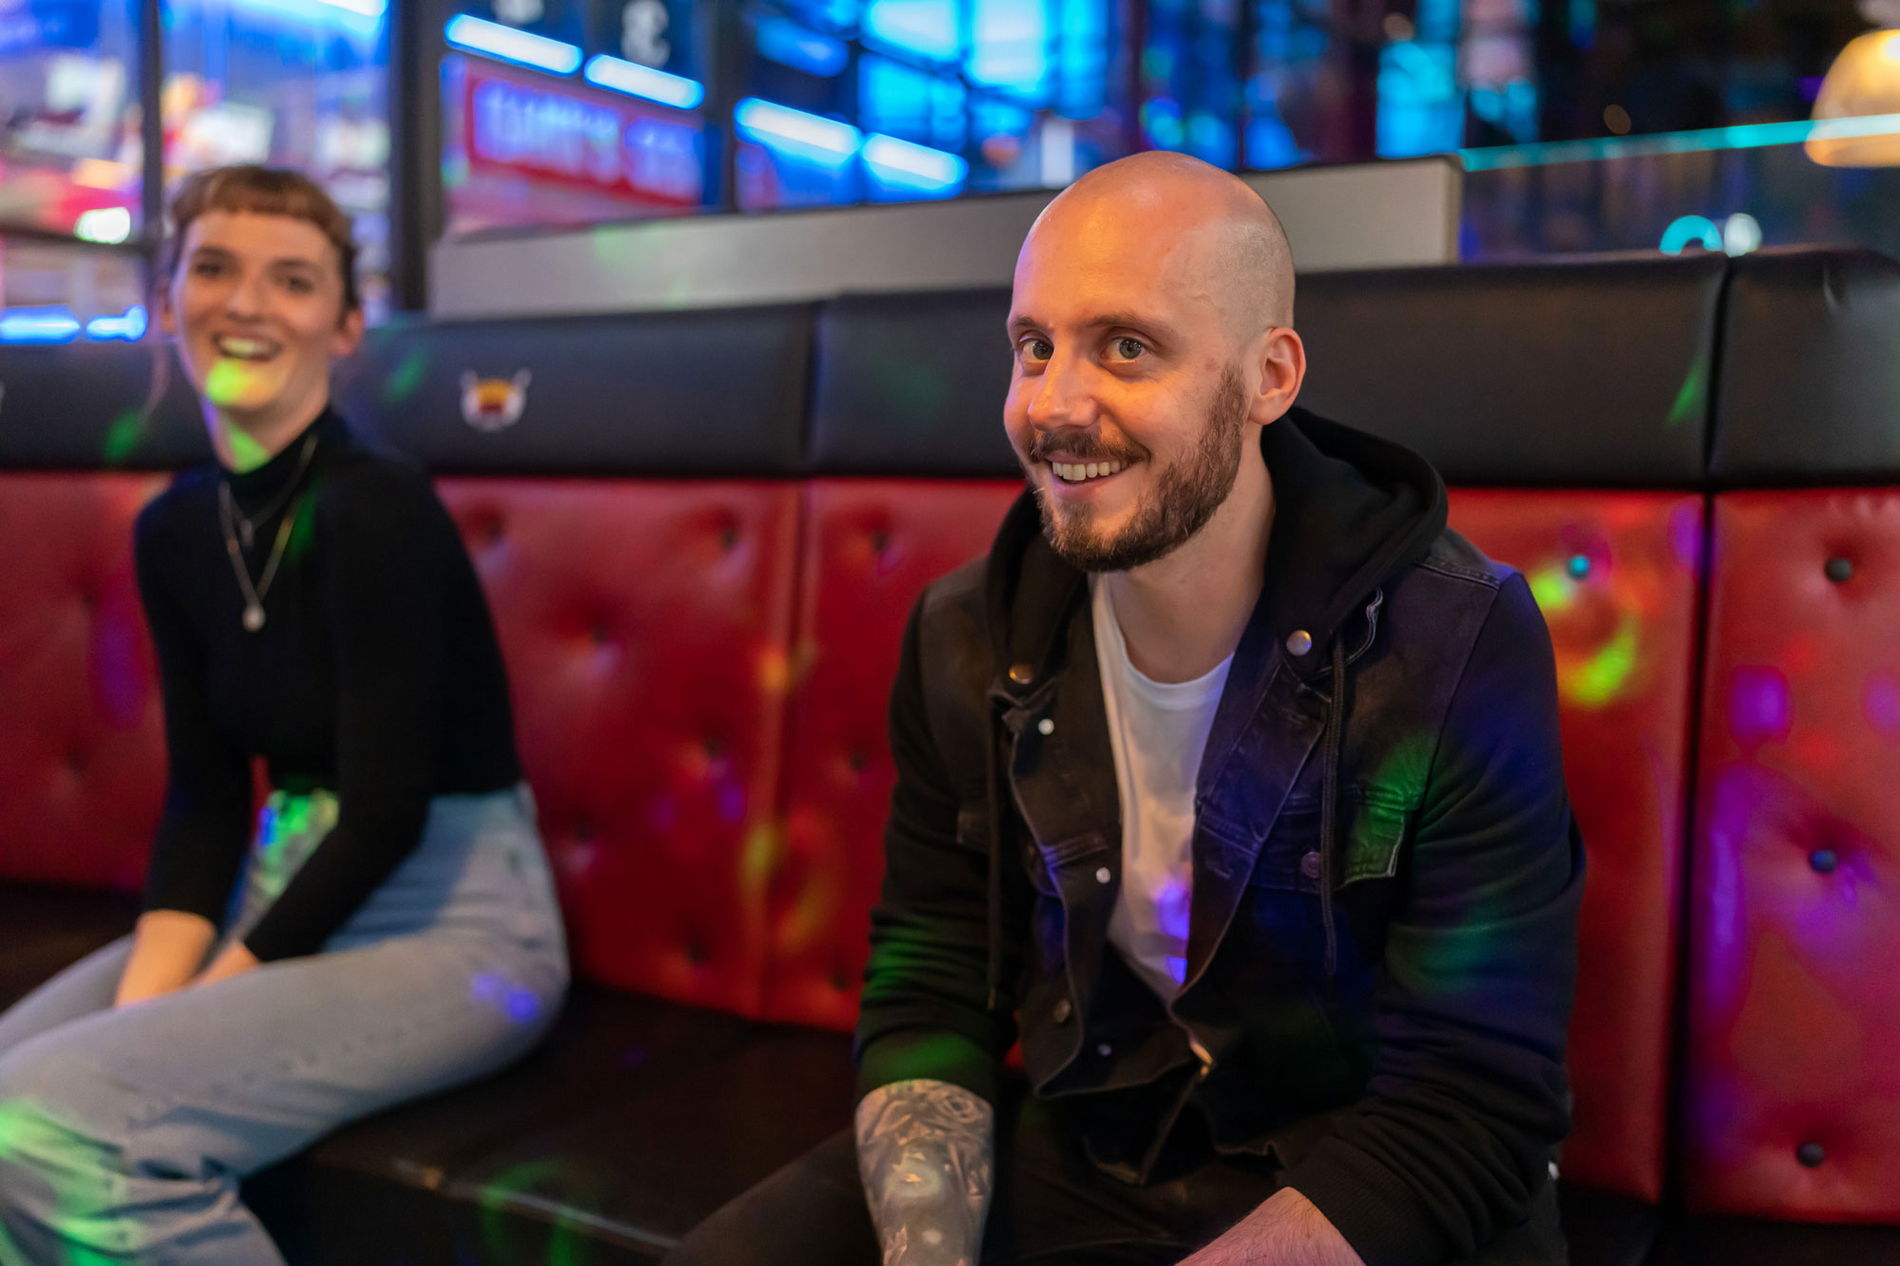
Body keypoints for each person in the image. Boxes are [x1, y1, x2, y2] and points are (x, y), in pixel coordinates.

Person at [666, 151, 1584, 1266]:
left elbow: (1470, 1102)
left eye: (1126, 347)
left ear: (1269, 378)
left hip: (1367, 1178)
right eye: (1033, 346)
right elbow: (933, 979)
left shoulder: (1451, 638)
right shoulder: (970, 638)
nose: (1052, 406)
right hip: (1104, 1143)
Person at [0, 166, 567, 1264]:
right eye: (213, 268)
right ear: (166, 299)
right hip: (277, 878)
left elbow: (385, 812)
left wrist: (175, 1022)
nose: (247, 304)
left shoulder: (379, 507)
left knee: (53, 1126)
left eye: (293, 281)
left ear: (345, 326)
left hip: (459, 924)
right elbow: (207, 806)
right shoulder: (174, 529)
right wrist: (153, 1013)